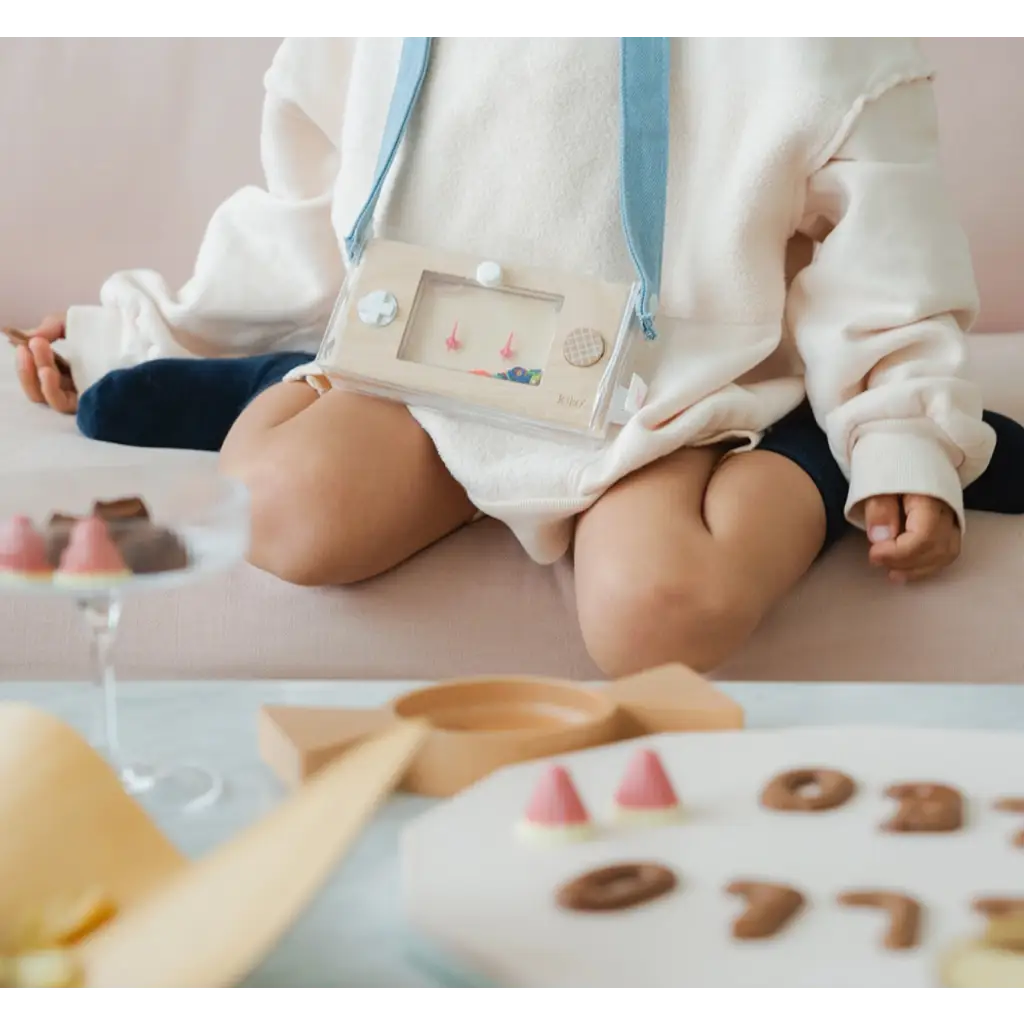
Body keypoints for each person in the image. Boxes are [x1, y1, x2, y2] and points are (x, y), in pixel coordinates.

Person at [10, 32, 1024, 679]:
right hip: (424, 360)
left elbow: (885, 250)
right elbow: (314, 207)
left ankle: (810, 448)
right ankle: (267, 377)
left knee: (659, 613)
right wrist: (151, 333)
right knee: (282, 509)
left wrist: (897, 433)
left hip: (681, 389)